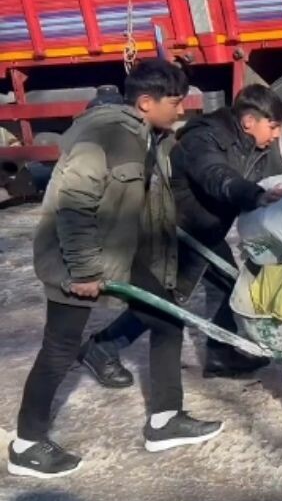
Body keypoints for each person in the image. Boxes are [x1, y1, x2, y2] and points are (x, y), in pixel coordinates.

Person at [9, 59, 223, 479]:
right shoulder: (105, 137)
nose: (181, 111)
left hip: (119, 255)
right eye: (175, 102)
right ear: (146, 102)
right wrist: (85, 271)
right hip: (74, 260)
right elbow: (73, 206)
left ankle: (164, 420)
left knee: (166, 318)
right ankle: (27, 445)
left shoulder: (146, 135)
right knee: (59, 349)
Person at [77, 84, 282, 387]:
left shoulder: (255, 146)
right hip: (172, 228)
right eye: (273, 126)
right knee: (164, 302)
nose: (277, 135)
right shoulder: (204, 137)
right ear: (248, 122)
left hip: (205, 229)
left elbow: (250, 188)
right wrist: (253, 195)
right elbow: (216, 176)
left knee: (228, 283)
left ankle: (219, 354)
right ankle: (101, 347)